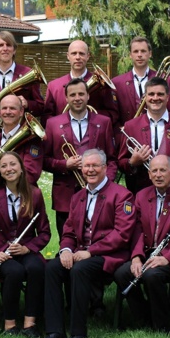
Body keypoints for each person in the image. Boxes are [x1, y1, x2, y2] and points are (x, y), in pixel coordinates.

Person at [40, 149, 135, 338]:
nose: (90, 170)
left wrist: (90, 252)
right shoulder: (78, 197)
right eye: (86, 166)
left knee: (80, 270)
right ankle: (54, 331)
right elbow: (68, 231)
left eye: (94, 166)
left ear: (105, 168)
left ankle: (78, 333)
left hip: (110, 256)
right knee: (52, 268)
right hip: (80, 253)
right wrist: (65, 250)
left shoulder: (122, 195)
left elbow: (122, 235)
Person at [114, 155, 170, 333]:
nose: (158, 175)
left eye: (163, 170)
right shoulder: (141, 195)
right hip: (147, 252)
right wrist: (137, 256)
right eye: (154, 170)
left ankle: (162, 326)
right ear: (149, 173)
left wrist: (167, 258)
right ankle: (144, 319)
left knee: (152, 276)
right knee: (122, 273)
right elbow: (136, 229)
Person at [0, 152, 51, 337]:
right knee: (14, 271)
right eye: (4, 166)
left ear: (21, 168)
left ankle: (30, 323)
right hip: (1, 253)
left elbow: (44, 233)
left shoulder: (34, 194)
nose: (9, 169)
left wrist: (28, 248)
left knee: (36, 268)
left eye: (13, 164)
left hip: (26, 250)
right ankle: (10, 325)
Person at [43, 78, 117, 236]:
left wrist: (106, 184)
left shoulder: (104, 122)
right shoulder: (52, 124)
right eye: (73, 94)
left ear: (88, 96)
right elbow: (44, 160)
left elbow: (111, 160)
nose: (77, 98)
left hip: (98, 193)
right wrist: (64, 164)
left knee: (95, 238)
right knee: (66, 240)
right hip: (65, 194)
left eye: (81, 94)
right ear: (66, 98)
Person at [118, 77, 170, 194]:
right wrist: (132, 162)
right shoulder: (131, 125)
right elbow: (121, 162)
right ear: (145, 97)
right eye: (151, 94)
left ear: (168, 97)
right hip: (141, 193)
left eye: (160, 94)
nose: (155, 98)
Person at [0, 30, 45, 136]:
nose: (5, 49)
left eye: (9, 45)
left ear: (14, 50)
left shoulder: (28, 74)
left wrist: (27, 104)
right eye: (0, 45)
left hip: (20, 134)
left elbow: (41, 106)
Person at [41, 40, 118, 128]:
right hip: (64, 137)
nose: (78, 57)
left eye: (81, 53)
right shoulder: (54, 86)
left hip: (94, 136)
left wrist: (89, 115)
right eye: (74, 53)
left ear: (88, 56)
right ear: (68, 56)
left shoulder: (102, 84)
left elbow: (113, 114)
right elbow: (46, 118)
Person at [112, 36, 170, 128]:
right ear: (130, 55)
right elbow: (113, 117)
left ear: (150, 54)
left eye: (143, 51)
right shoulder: (117, 83)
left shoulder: (164, 78)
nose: (139, 55)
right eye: (135, 51)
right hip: (128, 137)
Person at [0, 95, 43, 188]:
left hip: (23, 198)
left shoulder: (32, 140)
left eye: (12, 108)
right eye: (4, 108)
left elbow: (31, 174)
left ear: (21, 112)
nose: (8, 112)